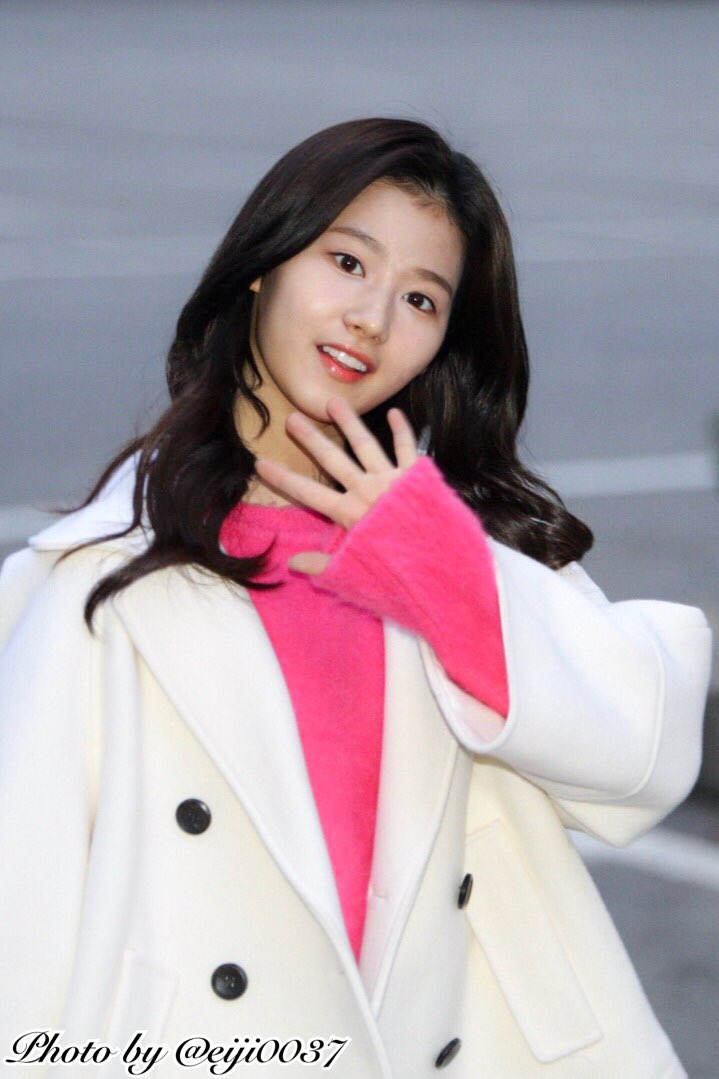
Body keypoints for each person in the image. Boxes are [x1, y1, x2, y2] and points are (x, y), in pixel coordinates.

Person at [0, 117, 711, 1078]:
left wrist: (443, 571)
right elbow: (23, 918)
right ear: (264, 266)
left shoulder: (458, 545)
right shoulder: (93, 577)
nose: (371, 319)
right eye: (345, 262)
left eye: (420, 298)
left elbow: (641, 764)